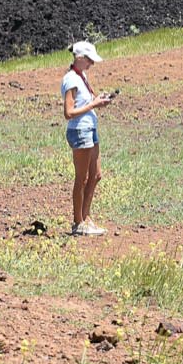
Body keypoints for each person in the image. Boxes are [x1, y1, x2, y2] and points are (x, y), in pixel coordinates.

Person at [59, 40, 118, 236]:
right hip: (80, 131)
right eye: (89, 60)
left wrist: (98, 100)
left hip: (90, 128)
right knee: (82, 178)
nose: (92, 64)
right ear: (80, 58)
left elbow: (86, 101)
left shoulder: (81, 75)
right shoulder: (71, 80)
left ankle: (86, 217)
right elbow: (69, 112)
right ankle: (78, 222)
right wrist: (94, 105)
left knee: (95, 175)